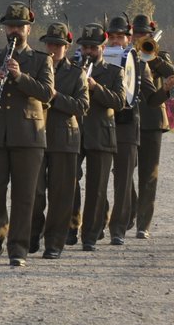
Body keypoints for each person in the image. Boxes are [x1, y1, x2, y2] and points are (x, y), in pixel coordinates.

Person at [0, 1, 55, 266]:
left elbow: (47, 93)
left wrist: (19, 76)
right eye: (10, 26)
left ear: (28, 29)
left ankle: (18, 249)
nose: (15, 31)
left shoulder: (41, 60)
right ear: (5, 28)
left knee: (24, 195)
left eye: (20, 26)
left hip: (29, 134)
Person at [31, 23, 88, 259]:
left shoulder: (76, 73)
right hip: (35, 136)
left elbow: (82, 106)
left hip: (65, 138)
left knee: (61, 194)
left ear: (67, 46)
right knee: (33, 192)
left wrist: (55, 97)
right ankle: (32, 235)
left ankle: (54, 243)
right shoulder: (35, 68)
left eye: (58, 45)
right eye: (50, 44)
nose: (53, 49)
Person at [102, 15, 154, 245]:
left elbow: (151, 94)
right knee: (99, 177)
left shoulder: (137, 60)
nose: (115, 41)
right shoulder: (97, 57)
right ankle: (96, 221)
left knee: (123, 179)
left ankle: (118, 227)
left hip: (127, 123)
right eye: (111, 37)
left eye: (119, 37)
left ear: (128, 38)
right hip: (101, 124)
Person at [75, 24, 127, 253]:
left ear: (102, 48)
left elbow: (119, 102)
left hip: (101, 134)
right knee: (66, 182)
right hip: (74, 133)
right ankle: (70, 225)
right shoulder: (70, 69)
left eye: (92, 48)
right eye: (85, 47)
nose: (88, 52)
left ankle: (90, 235)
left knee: (97, 188)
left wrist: (96, 88)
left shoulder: (115, 72)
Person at [129, 14, 174, 238]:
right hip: (127, 118)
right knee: (124, 171)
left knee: (149, 175)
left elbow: (171, 72)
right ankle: (131, 209)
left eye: (143, 34)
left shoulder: (159, 54)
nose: (139, 37)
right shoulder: (125, 54)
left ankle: (143, 224)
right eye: (136, 34)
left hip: (151, 119)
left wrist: (150, 54)